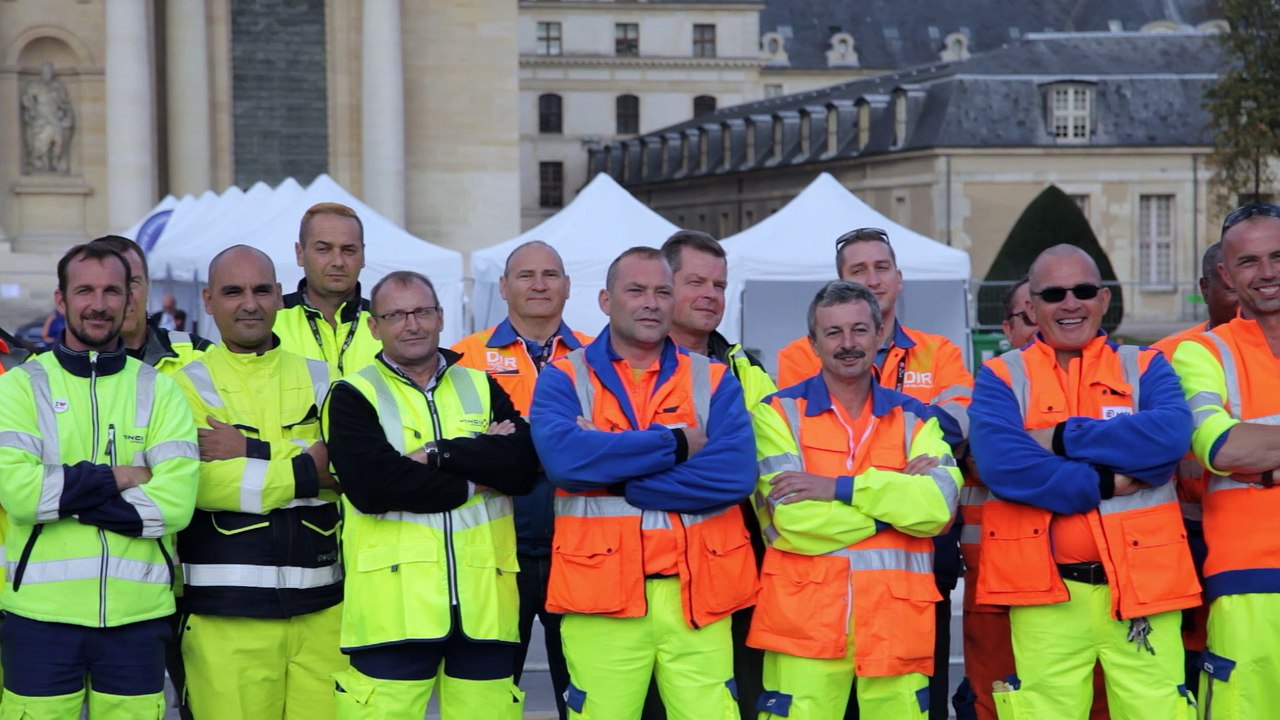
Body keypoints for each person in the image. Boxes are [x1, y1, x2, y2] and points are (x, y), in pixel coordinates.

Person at [969, 244, 1200, 718]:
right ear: (1031, 307)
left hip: (1143, 591)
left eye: (1084, 290)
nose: (1070, 303)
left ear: (1104, 300)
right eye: (1054, 293)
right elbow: (1002, 464)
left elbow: (1170, 438)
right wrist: (1103, 481)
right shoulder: (999, 375)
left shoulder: (1146, 364)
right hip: (1044, 594)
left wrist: (1057, 436)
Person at [529, 246, 758, 720]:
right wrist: (676, 446)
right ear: (605, 300)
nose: (650, 302)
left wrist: (619, 477)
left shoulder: (714, 378)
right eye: (635, 290)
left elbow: (735, 474)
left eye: (662, 291)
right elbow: (566, 463)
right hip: (602, 599)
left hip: (698, 596)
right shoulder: (563, 377)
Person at [775, 228, 970, 720]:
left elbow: (946, 480)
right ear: (814, 340)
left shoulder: (935, 361)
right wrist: (896, 498)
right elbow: (790, 517)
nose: (846, 343)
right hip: (809, 620)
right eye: (858, 270)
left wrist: (839, 487)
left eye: (880, 267)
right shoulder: (780, 409)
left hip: (900, 612)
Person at [324, 270, 537, 718]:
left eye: (422, 311)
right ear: (373, 326)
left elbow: (521, 468)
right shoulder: (351, 394)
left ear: (440, 317)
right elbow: (373, 487)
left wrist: (435, 454)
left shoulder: (480, 384)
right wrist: (476, 476)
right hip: (392, 612)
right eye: (396, 315)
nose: (412, 324)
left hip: (486, 607)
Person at [0, 241, 199, 717]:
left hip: (138, 618)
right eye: (84, 290)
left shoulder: (161, 390)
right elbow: (21, 495)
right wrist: (122, 476)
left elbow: (175, 505)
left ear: (130, 301)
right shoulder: (21, 385)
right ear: (61, 299)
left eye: (112, 291)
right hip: (40, 618)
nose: (99, 304)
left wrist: (66, 493)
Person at [169, 245, 345, 719]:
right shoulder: (183, 384)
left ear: (280, 297)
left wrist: (249, 452)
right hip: (226, 621)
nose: (250, 303)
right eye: (233, 291)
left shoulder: (322, 378)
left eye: (262, 290)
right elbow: (202, 482)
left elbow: (348, 467)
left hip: (323, 613)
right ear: (208, 300)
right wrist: (310, 469)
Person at [452, 240, 589, 720]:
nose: (539, 284)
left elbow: (609, 447)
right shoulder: (466, 356)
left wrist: (510, 442)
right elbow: (459, 449)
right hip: (496, 552)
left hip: (580, 552)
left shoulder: (597, 355)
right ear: (504, 287)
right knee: (489, 696)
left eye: (550, 274)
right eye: (526, 275)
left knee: (584, 693)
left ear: (568, 287)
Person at [650, 230, 775, 720]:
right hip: (653, 573)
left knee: (734, 702)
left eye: (719, 285)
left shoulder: (746, 369)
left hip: (737, 571)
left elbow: (750, 472)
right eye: (695, 281)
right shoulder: (631, 366)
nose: (710, 295)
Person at [1171, 204, 1280, 719]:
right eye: (1250, 261)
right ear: (1226, 274)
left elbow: (1241, 447)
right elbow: (1220, 448)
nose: (1268, 273)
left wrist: (1265, 460)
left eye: (1278, 256)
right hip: (1247, 579)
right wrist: (1239, 450)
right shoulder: (1203, 353)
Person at [1151, 241, 1239, 693]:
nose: (1244, 298)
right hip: (1183, 540)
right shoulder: (1164, 355)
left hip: (1251, 540)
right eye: (1231, 288)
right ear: (1206, 287)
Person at [276, 202, 381, 377]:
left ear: (362, 255)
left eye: (349, 250)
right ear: (299, 253)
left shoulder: (389, 322)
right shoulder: (270, 321)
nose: (338, 262)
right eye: (324, 249)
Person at [89, 236, 211, 376]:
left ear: (148, 285)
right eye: (110, 287)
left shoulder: (198, 353)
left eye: (132, 282)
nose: (124, 297)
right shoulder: (66, 367)